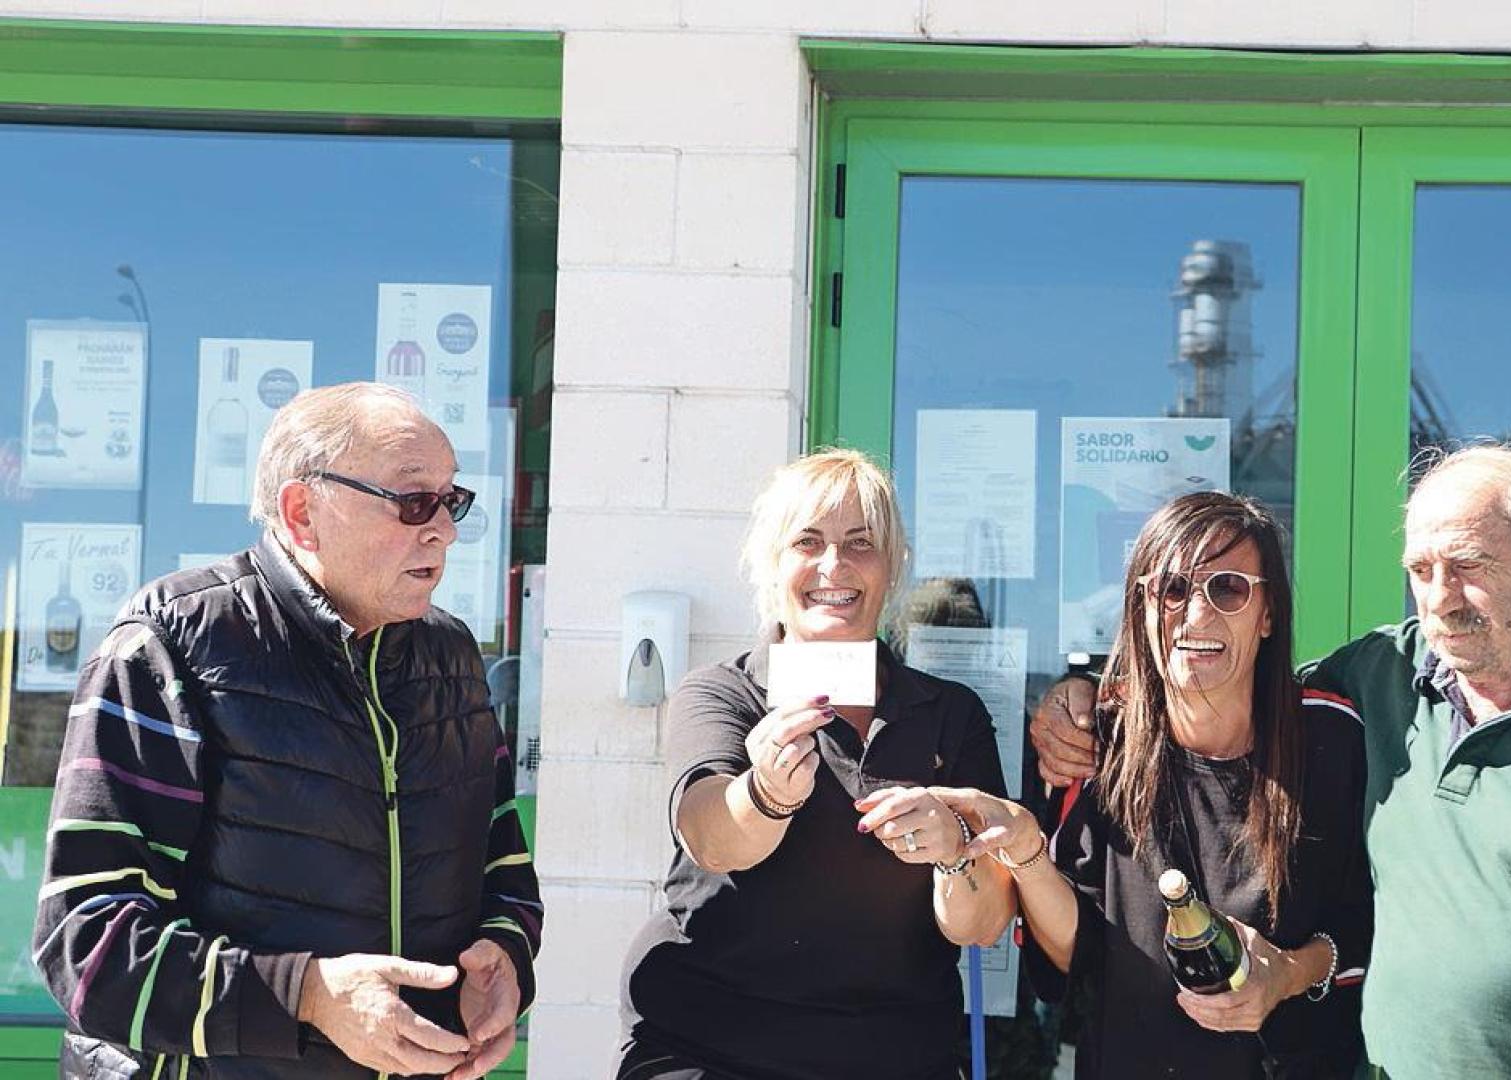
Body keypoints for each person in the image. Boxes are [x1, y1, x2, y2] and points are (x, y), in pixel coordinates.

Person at [1032, 446, 1511, 1078]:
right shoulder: (1379, 679)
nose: (1439, 598)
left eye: (1467, 565)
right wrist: (1087, 697)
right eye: (1420, 570)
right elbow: (1215, 672)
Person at [34, 383, 542, 1079]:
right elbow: (88, 946)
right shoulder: (170, 646)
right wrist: (307, 996)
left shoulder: (451, 661)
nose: (444, 531)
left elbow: (503, 866)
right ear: (303, 512)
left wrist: (504, 957)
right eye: (414, 501)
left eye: (453, 502)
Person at [937, 492, 1369, 1079]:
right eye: (1172, 589)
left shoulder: (1331, 739)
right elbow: (1075, 957)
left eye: (1230, 588)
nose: (1197, 615)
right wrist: (1026, 852)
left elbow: (1367, 925)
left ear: (1268, 613)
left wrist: (1287, 974)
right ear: (1141, 606)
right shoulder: (1096, 742)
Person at [618, 448, 1016, 1080]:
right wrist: (766, 793)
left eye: (861, 543)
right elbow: (708, 835)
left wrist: (954, 849)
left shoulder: (950, 714)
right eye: (808, 541)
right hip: (710, 1045)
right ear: (772, 565)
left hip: (895, 1055)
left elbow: (983, 922)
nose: (835, 565)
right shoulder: (723, 692)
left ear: (892, 568)